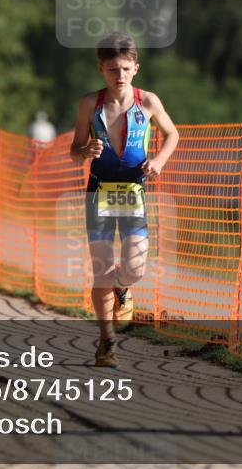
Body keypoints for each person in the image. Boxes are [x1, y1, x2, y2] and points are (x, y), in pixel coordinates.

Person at [69, 32, 180, 367]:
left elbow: (173, 133)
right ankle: (107, 342)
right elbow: (74, 150)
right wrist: (85, 150)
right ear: (102, 68)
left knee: (134, 269)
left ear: (136, 69)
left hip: (133, 191)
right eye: (113, 69)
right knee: (101, 270)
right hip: (99, 191)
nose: (120, 75)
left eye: (126, 68)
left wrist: (158, 161)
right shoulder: (91, 104)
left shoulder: (147, 101)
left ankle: (123, 286)